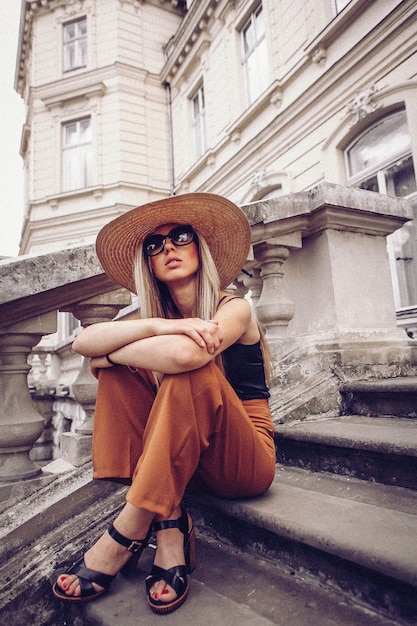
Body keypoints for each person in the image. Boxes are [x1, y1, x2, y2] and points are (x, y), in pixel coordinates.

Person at [52, 192, 276, 615]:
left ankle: (129, 528)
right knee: (124, 371)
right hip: (188, 459)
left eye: (180, 236)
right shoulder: (156, 317)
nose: (168, 247)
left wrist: (113, 353)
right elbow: (84, 341)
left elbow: (189, 356)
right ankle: (170, 525)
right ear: (149, 264)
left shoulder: (235, 308)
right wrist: (153, 325)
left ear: (200, 247)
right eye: (154, 245)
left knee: (190, 369)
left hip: (244, 461)